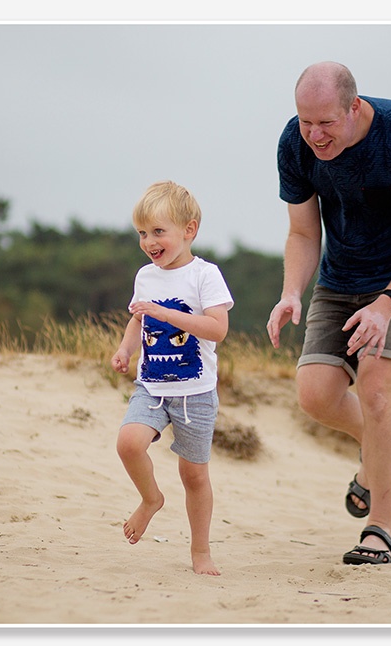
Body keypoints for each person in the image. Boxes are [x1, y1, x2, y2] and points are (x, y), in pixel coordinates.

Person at [267, 62, 391, 566]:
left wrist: (387, 304)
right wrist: (291, 292)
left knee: (375, 390)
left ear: (355, 107)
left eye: (325, 122)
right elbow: (305, 234)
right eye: (305, 121)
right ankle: (379, 455)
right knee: (316, 395)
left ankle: (380, 529)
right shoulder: (295, 143)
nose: (314, 135)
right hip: (342, 274)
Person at [111, 180, 234, 576]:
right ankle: (151, 499)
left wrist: (168, 316)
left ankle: (201, 551)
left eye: (158, 232)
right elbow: (138, 318)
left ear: (189, 230)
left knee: (193, 474)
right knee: (129, 443)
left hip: (195, 393)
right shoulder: (145, 276)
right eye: (142, 233)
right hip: (152, 386)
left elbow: (217, 329)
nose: (149, 241)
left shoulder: (205, 275)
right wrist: (126, 350)